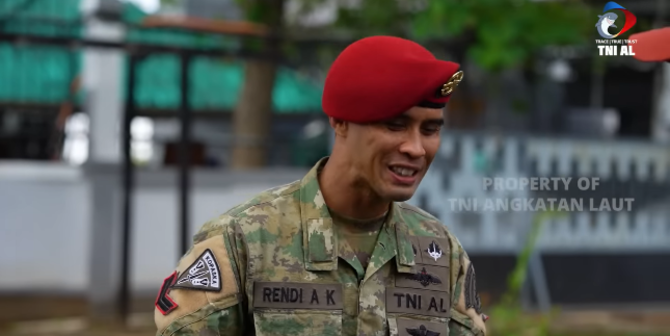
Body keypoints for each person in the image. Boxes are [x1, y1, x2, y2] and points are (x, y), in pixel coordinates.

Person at [153, 35, 488, 336]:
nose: (415, 148)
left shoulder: (440, 251)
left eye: (430, 130)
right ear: (340, 122)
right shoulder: (245, 242)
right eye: (395, 125)